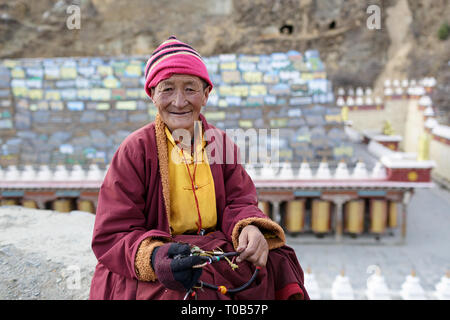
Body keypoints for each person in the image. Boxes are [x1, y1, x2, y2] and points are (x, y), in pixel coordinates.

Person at [89, 36, 309, 300]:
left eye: (190, 89)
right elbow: (114, 232)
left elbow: (239, 201)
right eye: (167, 89)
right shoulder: (135, 150)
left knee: (278, 258)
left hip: (215, 245)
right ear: (152, 94)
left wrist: (248, 228)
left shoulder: (219, 142)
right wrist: (156, 256)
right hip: (165, 254)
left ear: (206, 94)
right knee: (183, 288)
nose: (179, 102)